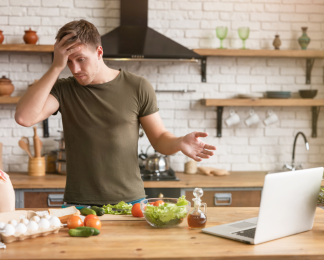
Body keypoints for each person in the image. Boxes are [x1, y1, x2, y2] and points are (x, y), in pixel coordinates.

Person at [15, 20, 216, 206]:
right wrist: (56, 66)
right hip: (79, 203)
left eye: (80, 59)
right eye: (68, 62)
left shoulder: (137, 86)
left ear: (99, 52)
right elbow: (25, 117)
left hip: (131, 202)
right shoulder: (64, 89)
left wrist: (179, 142)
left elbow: (160, 138)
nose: (74, 69)